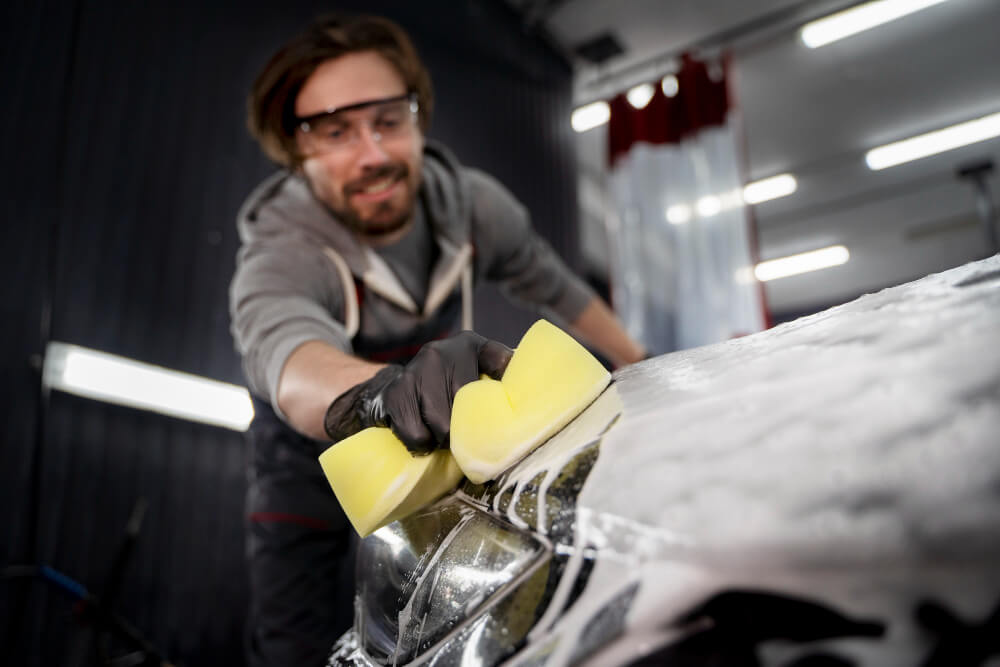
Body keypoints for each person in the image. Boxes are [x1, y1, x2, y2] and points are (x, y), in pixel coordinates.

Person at [228, 12, 646, 666]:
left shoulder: (474, 206)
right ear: (296, 151)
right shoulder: (284, 247)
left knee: (447, 624)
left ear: (418, 118)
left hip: (426, 443)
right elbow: (286, 357)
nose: (372, 154)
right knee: (292, 643)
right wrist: (373, 393)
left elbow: (557, 288)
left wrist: (643, 363)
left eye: (389, 120)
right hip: (305, 463)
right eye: (335, 132)